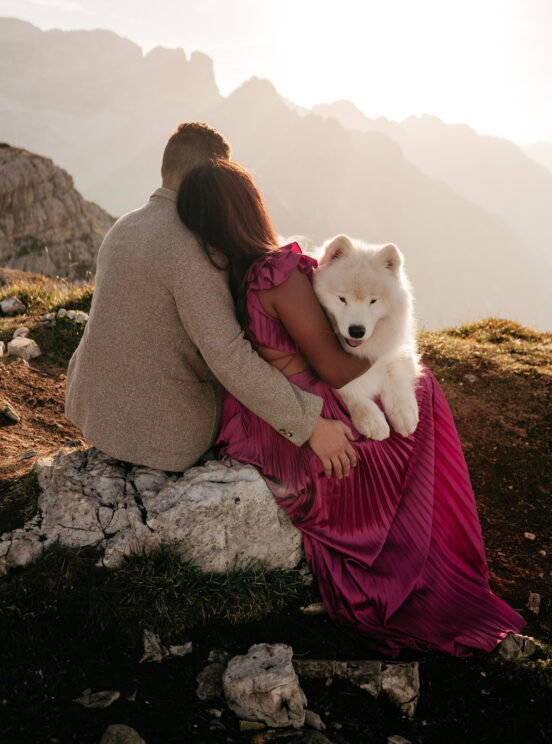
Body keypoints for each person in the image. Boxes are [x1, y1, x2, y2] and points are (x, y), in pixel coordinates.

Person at [177, 158, 528, 658]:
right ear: (250, 208)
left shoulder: (228, 272)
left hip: (254, 414)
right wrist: (386, 368)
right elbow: (336, 368)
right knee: (425, 395)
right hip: (300, 408)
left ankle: (427, 545)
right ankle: (429, 555)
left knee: (408, 392)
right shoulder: (278, 272)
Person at [65, 122, 363, 474]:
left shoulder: (123, 226)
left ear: (163, 169)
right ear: (215, 180)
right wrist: (311, 426)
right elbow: (229, 356)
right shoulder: (191, 247)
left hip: (91, 409)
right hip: (157, 435)